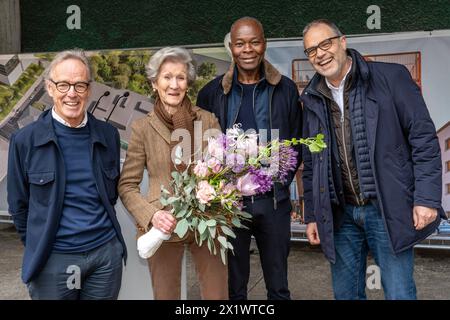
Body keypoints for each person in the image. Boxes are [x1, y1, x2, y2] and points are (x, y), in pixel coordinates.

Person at [300, 19, 445, 300]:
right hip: (340, 214)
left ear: (343, 42)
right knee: (346, 295)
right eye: (311, 50)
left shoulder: (391, 78)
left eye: (325, 43)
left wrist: (426, 198)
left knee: (399, 293)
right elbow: (311, 160)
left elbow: (424, 140)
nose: (320, 53)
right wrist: (313, 216)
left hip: (386, 209)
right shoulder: (312, 97)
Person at [7, 49, 127, 300]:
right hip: (53, 260)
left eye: (79, 85)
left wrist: (111, 250)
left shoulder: (108, 135)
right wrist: (39, 246)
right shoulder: (25, 141)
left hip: (104, 258)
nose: (71, 93)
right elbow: (19, 206)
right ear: (50, 88)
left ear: (89, 89)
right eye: (63, 85)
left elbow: (110, 194)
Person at [197, 17, 302, 300]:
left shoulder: (286, 89)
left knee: (278, 285)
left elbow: (296, 144)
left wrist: (280, 182)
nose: (248, 49)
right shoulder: (211, 92)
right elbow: (202, 145)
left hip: (273, 202)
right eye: (240, 43)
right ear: (231, 47)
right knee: (233, 286)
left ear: (264, 45)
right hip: (230, 206)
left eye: (254, 42)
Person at [118, 47, 227, 300]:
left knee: (217, 295)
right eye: (167, 77)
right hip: (162, 224)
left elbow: (223, 172)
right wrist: (151, 215)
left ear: (188, 82)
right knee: (165, 295)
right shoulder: (141, 128)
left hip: (207, 221)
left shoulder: (208, 121)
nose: (174, 85)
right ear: (155, 83)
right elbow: (127, 185)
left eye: (180, 77)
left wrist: (215, 191)